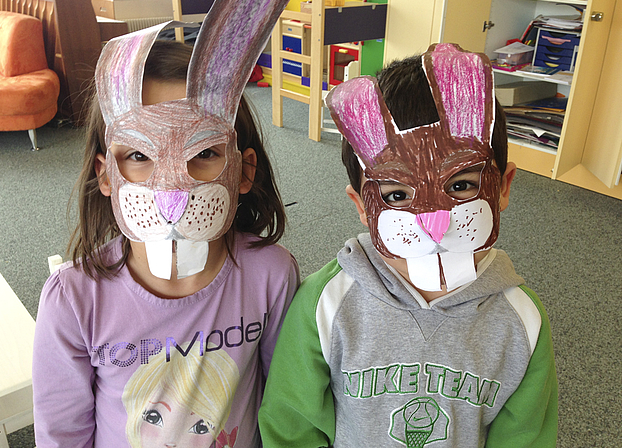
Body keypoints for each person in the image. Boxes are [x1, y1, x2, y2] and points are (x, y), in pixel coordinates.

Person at [259, 43, 558, 448]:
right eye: (396, 195)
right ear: (362, 207)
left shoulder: (522, 321)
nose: (432, 219)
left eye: (461, 185)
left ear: (502, 187)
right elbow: (290, 422)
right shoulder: (325, 303)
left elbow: (525, 438)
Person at [32, 0, 296, 445]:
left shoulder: (271, 275)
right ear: (106, 175)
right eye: (139, 156)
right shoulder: (74, 299)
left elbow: (282, 402)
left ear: (244, 171)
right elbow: (62, 430)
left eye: (204, 153)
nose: (171, 192)